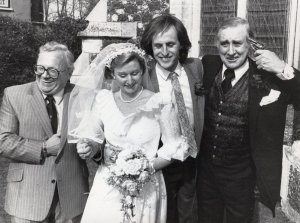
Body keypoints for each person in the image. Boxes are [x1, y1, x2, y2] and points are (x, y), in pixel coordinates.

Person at [68, 43, 195, 223]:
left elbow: (175, 148)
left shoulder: (160, 102)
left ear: (143, 71)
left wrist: (145, 168)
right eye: (122, 75)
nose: (129, 80)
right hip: (108, 183)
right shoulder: (103, 100)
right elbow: (94, 138)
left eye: (134, 73)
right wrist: (89, 146)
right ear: (113, 74)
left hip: (146, 185)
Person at [197, 17, 300, 223]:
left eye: (238, 43)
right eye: (225, 43)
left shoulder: (267, 77)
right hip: (206, 173)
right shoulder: (208, 65)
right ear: (218, 44)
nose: (231, 51)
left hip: (242, 177)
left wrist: (282, 67)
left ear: (250, 45)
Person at [0, 41, 90, 223]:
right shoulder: (14, 94)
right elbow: (3, 141)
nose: (44, 76)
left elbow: (99, 138)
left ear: (69, 73)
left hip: (70, 200)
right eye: (40, 68)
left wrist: (92, 147)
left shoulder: (85, 96)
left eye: (53, 71)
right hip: (27, 198)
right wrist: (43, 148)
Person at [140, 14, 205, 223]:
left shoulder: (196, 68)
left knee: (189, 213)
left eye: (170, 44)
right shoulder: (143, 77)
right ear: (151, 47)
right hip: (162, 160)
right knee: (163, 215)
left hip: (194, 159)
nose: (165, 52)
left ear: (181, 44)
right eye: (158, 46)